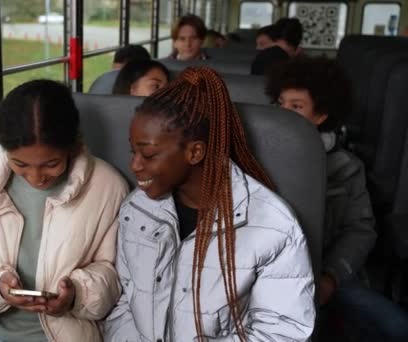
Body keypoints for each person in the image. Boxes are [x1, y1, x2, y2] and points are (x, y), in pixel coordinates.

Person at [104, 66, 315, 341]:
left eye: (149, 155)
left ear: (195, 152)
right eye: (134, 152)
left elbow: (283, 333)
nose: (134, 166)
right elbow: (123, 303)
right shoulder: (137, 209)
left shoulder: (272, 225)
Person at [0, 80, 129, 342]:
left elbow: (115, 277)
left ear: (71, 146)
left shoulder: (107, 187)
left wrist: (77, 295)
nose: (36, 177)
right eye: (20, 164)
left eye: (51, 164)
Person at [266, 57, 408, 342]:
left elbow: (360, 229)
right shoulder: (257, 154)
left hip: (325, 271)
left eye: (295, 107)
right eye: (280, 104)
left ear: (320, 116)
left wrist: (331, 276)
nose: (283, 114)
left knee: (397, 327)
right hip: (268, 275)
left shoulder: (345, 166)